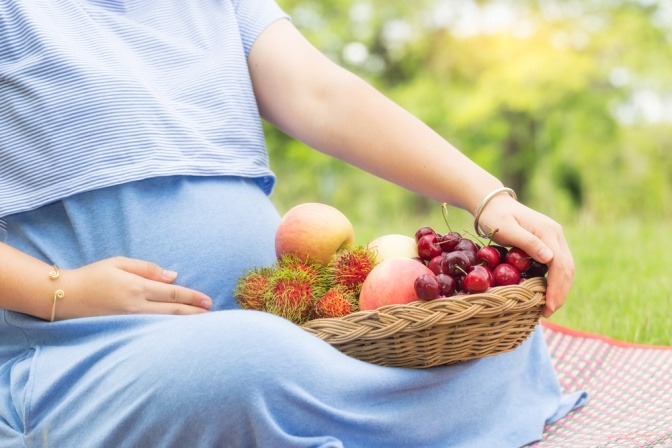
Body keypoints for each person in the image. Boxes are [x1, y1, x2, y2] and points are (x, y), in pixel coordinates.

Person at [0, 1, 585, 447]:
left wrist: (486, 196)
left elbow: (321, 94)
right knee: (244, 367)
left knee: (498, 333)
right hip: (84, 346)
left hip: (291, 325)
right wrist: (65, 291)